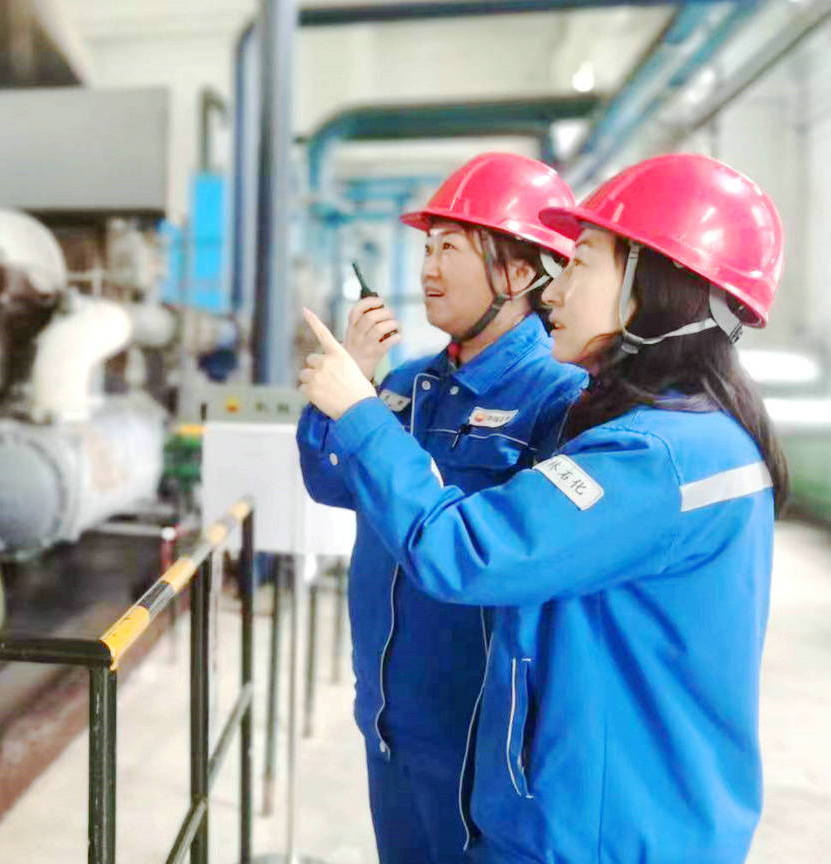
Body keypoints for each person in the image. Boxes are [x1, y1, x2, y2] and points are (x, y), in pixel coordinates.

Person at [299, 153, 785, 864]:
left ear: (651, 284)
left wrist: (361, 414)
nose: (557, 288)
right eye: (427, 247)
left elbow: (466, 551)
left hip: (589, 819)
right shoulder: (678, 439)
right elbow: (342, 485)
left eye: (579, 263)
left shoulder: (644, 453)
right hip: (537, 780)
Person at [297, 152, 587, 864]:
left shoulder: (559, 397)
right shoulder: (407, 383)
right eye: (428, 246)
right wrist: (352, 387)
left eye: (451, 247)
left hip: (480, 732)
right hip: (388, 715)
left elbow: (511, 558)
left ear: (519, 273)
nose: (429, 266)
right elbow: (330, 485)